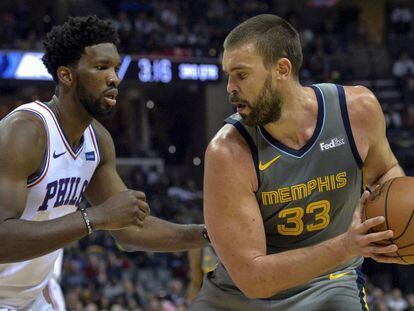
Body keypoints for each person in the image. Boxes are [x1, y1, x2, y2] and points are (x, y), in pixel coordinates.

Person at [191, 14, 406, 311]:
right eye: (228, 75)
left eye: (241, 75)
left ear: (282, 69)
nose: (230, 87)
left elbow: (385, 173)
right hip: (239, 299)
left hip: (330, 281)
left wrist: (395, 215)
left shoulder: (357, 111)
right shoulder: (227, 152)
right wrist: (346, 245)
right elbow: (253, 279)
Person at [0, 15, 209, 311]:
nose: (115, 78)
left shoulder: (97, 141)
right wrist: (95, 217)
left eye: (115, 67)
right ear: (66, 76)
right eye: (101, 67)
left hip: (29, 299)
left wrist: (210, 235)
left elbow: (131, 232)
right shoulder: (25, 132)